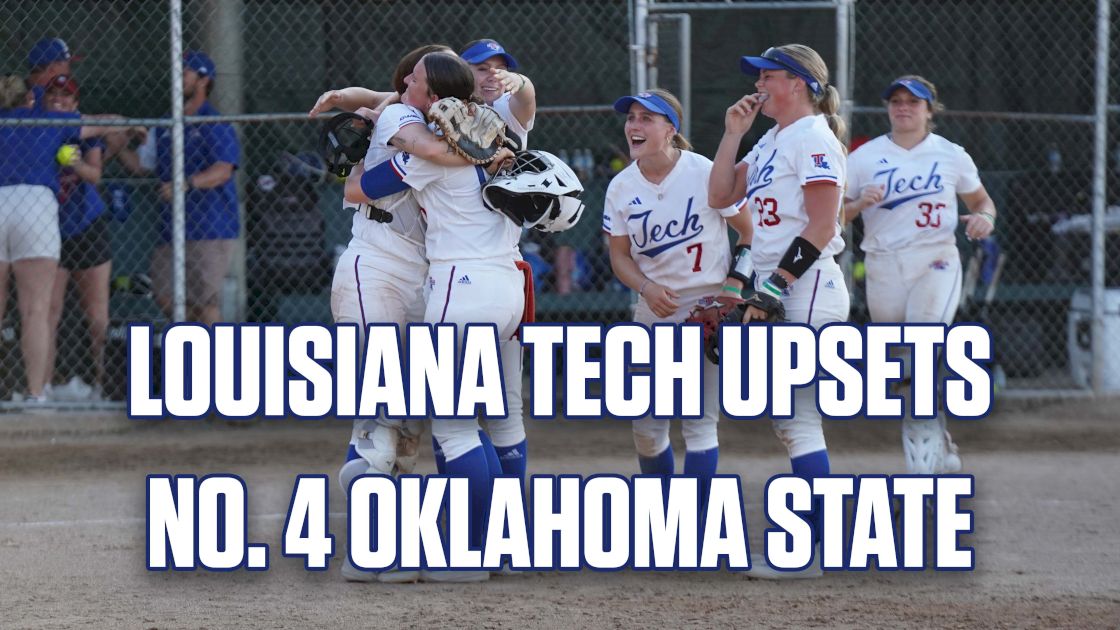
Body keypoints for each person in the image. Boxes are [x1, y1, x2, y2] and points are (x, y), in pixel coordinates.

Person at [350, 51, 523, 583]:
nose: (408, 82)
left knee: (453, 429)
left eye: (418, 79)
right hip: (507, 287)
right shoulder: (502, 144)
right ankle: (492, 546)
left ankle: (468, 557)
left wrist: (359, 159)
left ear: (441, 97)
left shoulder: (437, 149)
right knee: (474, 426)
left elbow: (359, 190)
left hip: (460, 285)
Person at [708, 44, 850, 579]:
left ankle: (807, 552)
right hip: (779, 284)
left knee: (799, 420)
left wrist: (774, 287)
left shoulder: (814, 137)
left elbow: (822, 226)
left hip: (806, 284)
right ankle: (810, 546)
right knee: (793, 423)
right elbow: (721, 193)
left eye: (770, 75)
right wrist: (731, 135)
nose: (760, 84)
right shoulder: (772, 138)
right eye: (760, 76)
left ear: (801, 84)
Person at [604, 89, 752, 507]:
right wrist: (646, 287)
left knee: (699, 422)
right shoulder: (621, 187)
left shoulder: (704, 171)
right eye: (631, 117)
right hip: (653, 307)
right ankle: (664, 518)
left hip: (707, 307)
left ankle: (697, 525)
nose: (634, 125)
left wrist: (733, 287)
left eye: (646, 118)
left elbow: (749, 232)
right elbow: (618, 256)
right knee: (647, 426)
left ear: (671, 129)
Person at [844, 75, 997, 476]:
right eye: (896, 101)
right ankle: (938, 436)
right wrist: (858, 203)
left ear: (930, 110)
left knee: (922, 344)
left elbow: (982, 201)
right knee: (900, 361)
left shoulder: (949, 154)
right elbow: (832, 213)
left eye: (913, 102)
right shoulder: (864, 157)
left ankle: (921, 462)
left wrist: (983, 218)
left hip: (936, 259)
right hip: (883, 264)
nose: (903, 108)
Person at [0, 74, 124, 402]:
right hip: (37, 204)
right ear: (30, 100)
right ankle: (36, 394)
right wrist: (130, 127)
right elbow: (109, 123)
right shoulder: (52, 120)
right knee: (36, 311)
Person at [117, 51, 239, 325]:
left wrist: (185, 184)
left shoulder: (213, 121)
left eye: (184, 73)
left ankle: (221, 365)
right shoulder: (166, 123)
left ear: (203, 80)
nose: (177, 79)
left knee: (205, 302)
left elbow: (222, 170)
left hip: (210, 226)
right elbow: (141, 164)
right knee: (164, 295)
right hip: (171, 228)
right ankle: (195, 352)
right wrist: (120, 144)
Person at [42, 74, 112, 401]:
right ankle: (41, 387)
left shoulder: (85, 134)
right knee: (49, 312)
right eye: (53, 94)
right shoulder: (36, 129)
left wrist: (76, 163)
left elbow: (95, 175)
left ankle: (103, 384)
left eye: (65, 96)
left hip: (87, 226)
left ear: (75, 104)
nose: (59, 100)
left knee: (97, 314)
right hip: (48, 229)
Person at [459, 38, 536, 150]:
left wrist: (520, 81)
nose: (494, 77)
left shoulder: (507, 106)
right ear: (462, 71)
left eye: (501, 70)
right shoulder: (447, 104)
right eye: (483, 69)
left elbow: (527, 100)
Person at [26, 38, 79, 109]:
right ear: (52, 68)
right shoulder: (45, 97)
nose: (70, 70)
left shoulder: (22, 86)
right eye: (68, 63)